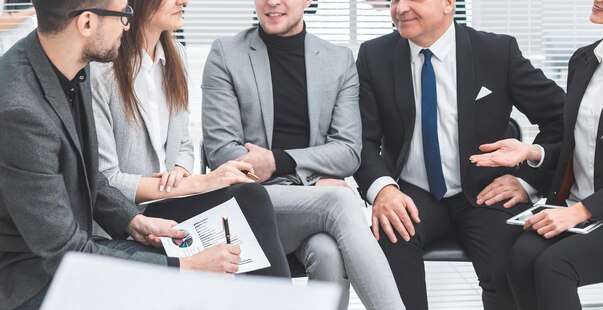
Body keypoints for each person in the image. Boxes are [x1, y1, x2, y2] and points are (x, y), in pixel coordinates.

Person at [0, 1, 248, 309]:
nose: (128, 25)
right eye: (123, 15)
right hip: (35, 279)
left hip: (76, 251)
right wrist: (188, 269)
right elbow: (66, 253)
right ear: (87, 24)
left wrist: (132, 220)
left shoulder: (69, 66)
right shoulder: (21, 112)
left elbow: (90, 177)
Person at [353, 0, 565, 308]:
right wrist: (383, 190)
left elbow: (562, 118)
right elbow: (361, 139)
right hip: (412, 192)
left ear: (449, 3)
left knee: (510, 270)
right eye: (395, 0)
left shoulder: (497, 52)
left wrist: (528, 181)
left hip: (486, 193)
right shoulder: (374, 56)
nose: (401, 8)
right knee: (390, 236)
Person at [202, 0, 404, 309]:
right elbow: (222, 154)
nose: (272, 2)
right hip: (249, 203)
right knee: (340, 199)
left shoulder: (339, 60)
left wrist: (278, 162)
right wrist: (311, 183)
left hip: (307, 209)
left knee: (328, 255)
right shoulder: (227, 55)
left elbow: (348, 150)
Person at [90, 0, 290, 278]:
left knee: (248, 202)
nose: (183, 1)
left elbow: (183, 143)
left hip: (170, 203)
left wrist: (181, 170)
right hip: (126, 215)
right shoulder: (102, 70)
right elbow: (106, 180)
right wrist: (200, 182)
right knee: (249, 198)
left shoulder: (177, 56)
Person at [469, 0, 603, 308]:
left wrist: (580, 212)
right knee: (519, 258)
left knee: (553, 265)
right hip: (574, 204)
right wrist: (532, 151)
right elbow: (579, 146)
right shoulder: (583, 60)